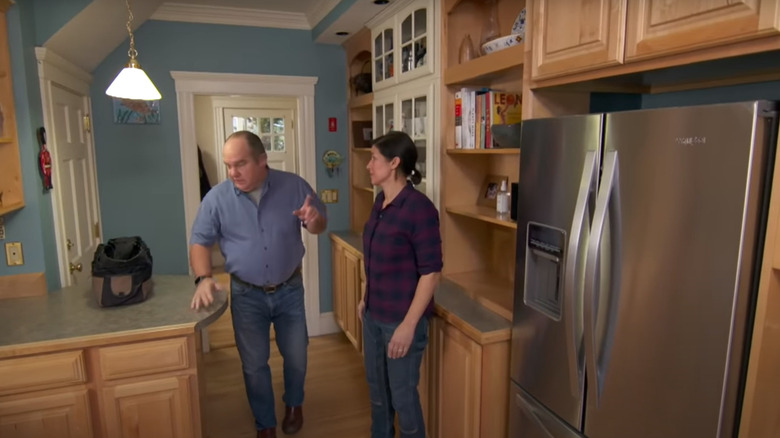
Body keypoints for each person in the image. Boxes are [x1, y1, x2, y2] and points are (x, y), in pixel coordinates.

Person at [189, 130, 327, 438]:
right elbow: (200, 241)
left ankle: (294, 404)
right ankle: (265, 423)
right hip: (246, 294)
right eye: (228, 165)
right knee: (253, 364)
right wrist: (204, 278)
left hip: (289, 289)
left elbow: (319, 225)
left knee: (296, 356)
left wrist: (313, 219)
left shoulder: (294, 186)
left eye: (240, 164)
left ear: (262, 160)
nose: (232, 172)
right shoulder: (217, 199)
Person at [359, 131, 443, 438]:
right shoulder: (381, 201)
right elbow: (374, 253)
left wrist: (408, 326)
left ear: (394, 163)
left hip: (401, 321)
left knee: (403, 400)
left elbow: (431, 272)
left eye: (374, 159)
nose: (368, 165)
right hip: (373, 316)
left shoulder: (418, 209)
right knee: (378, 397)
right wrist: (364, 295)